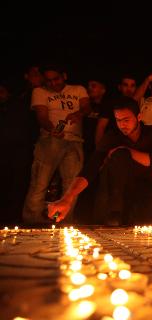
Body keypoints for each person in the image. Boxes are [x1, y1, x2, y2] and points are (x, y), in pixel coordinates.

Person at [47, 96, 152, 225]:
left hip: (143, 190)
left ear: (139, 117)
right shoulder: (112, 137)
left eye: (126, 120)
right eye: (118, 120)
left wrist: (127, 150)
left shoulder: (151, 133)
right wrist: (67, 198)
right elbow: (91, 168)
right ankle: (115, 214)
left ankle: (142, 217)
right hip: (116, 191)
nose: (122, 125)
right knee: (120, 155)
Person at [22, 64, 91, 224]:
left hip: (74, 140)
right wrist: (51, 129)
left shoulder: (78, 89)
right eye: (49, 81)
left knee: (71, 186)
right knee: (39, 182)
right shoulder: (40, 91)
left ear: (64, 75)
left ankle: (64, 221)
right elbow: (42, 116)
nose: (53, 84)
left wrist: (79, 113)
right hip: (50, 140)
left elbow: (87, 106)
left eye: (56, 79)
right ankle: (32, 222)